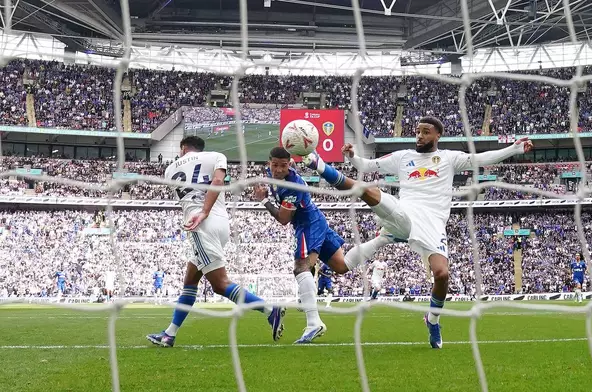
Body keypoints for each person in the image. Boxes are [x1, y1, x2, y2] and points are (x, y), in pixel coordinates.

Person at [303, 116, 533, 348]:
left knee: (442, 275)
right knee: (367, 190)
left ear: (437, 136)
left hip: (433, 221)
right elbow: (367, 166)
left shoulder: (449, 158)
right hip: (406, 210)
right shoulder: (403, 157)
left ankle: (432, 319)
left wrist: (513, 148)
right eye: (418, 131)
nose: (420, 136)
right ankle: (319, 165)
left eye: (426, 132)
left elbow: (481, 159)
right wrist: (352, 156)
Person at [146, 136, 285, 348]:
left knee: (220, 284)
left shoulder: (170, 169)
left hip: (199, 224)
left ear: (183, 149)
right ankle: (169, 334)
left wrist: (203, 212)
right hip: (221, 223)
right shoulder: (217, 156)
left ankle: (269, 309)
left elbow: (192, 193)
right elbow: (218, 182)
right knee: (190, 282)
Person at [254, 147, 353, 343]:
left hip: (308, 225)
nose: (279, 169)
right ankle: (383, 239)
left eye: (284, 166)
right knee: (340, 266)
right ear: (269, 164)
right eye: (275, 165)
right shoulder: (271, 175)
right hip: (315, 220)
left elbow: (283, 219)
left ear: (290, 164)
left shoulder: (294, 185)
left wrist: (264, 199)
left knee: (301, 268)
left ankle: (314, 323)